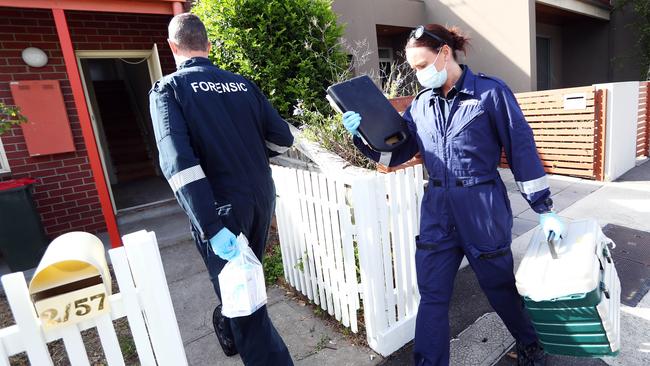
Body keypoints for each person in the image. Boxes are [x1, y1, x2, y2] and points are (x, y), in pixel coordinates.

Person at [342, 24, 564, 366]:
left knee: (499, 288)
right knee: (432, 296)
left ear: (444, 53)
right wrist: (362, 137)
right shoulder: (420, 106)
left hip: (482, 207)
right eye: (413, 68)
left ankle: (530, 342)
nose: (417, 75)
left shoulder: (489, 94)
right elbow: (399, 153)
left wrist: (544, 208)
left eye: (420, 65)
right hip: (437, 209)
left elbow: (521, 149)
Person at [149, 13, 294, 366]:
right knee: (246, 278)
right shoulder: (242, 84)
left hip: (220, 211)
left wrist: (210, 227)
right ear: (208, 45)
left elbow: (179, 166)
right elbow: (283, 139)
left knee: (247, 306)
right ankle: (228, 322)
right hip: (260, 199)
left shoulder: (169, 90)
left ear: (172, 47)